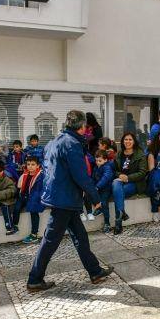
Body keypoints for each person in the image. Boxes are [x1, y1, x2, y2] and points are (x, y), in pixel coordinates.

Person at [27, 110, 113, 292]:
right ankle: (35, 279)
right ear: (82, 127)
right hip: (64, 199)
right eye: (86, 128)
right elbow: (81, 176)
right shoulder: (72, 144)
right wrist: (95, 198)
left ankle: (95, 271)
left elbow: (49, 169)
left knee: (80, 236)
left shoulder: (53, 142)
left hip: (61, 197)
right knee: (50, 240)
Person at [112, 132, 147, 234]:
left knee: (117, 192)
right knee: (116, 185)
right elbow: (114, 170)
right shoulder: (119, 154)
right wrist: (120, 176)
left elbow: (142, 173)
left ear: (134, 141)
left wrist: (127, 178)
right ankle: (120, 216)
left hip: (135, 183)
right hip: (120, 182)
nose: (128, 141)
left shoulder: (140, 154)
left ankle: (118, 224)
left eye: (130, 139)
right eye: (126, 139)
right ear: (123, 141)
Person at [19, 156, 46, 244]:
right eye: (28, 164)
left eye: (33, 164)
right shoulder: (26, 174)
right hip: (28, 197)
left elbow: (40, 190)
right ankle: (14, 226)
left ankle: (34, 234)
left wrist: (33, 199)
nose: (30, 166)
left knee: (34, 213)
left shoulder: (40, 175)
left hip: (36, 199)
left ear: (38, 165)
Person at [92, 149, 115, 232]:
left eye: (100, 161)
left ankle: (107, 223)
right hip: (98, 188)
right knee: (92, 196)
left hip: (106, 189)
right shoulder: (96, 167)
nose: (98, 162)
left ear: (105, 160)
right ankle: (99, 208)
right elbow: (93, 178)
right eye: (96, 160)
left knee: (104, 202)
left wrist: (97, 186)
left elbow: (106, 178)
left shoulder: (107, 167)